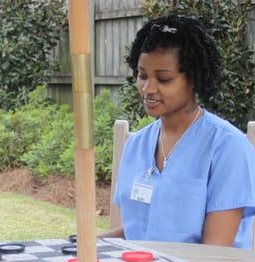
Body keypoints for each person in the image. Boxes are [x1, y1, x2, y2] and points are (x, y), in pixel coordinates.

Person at [101, 14, 255, 248]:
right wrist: (80, 245)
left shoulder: (227, 148)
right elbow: (139, 231)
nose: (147, 89)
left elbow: (214, 250)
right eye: (142, 76)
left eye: (163, 79)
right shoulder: (136, 145)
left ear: (193, 79)